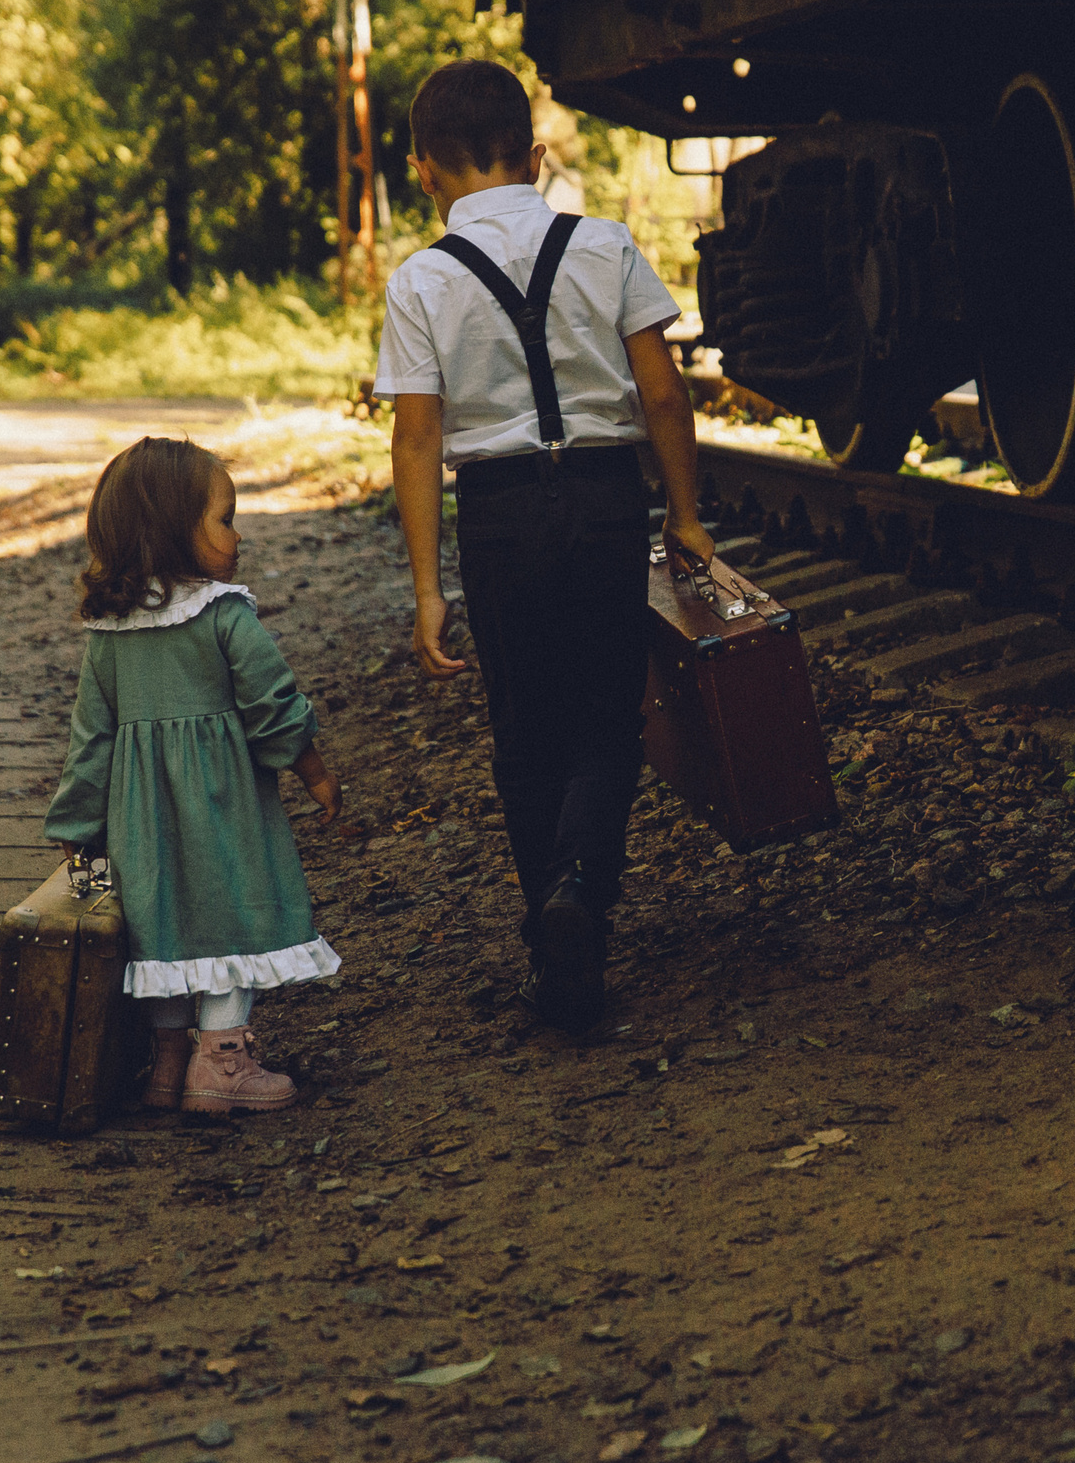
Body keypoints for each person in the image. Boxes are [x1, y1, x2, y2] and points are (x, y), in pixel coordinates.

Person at [376, 58, 716, 1028]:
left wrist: (428, 587)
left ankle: (553, 946)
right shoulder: (604, 245)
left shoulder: (421, 280)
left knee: (525, 731)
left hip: (499, 516)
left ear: (425, 173)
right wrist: (682, 514)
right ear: (532, 158)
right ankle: (580, 893)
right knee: (610, 716)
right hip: (603, 504)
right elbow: (662, 394)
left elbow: (416, 437)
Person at [44, 437, 344, 1114]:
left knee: (163, 928)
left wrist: (77, 822)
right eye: (226, 518)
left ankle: (168, 1062)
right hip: (225, 810)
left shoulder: (110, 632)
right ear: (175, 530)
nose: (238, 535)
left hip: (142, 820)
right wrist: (315, 771)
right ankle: (223, 1061)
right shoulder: (225, 614)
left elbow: (90, 738)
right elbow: (274, 702)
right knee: (231, 917)